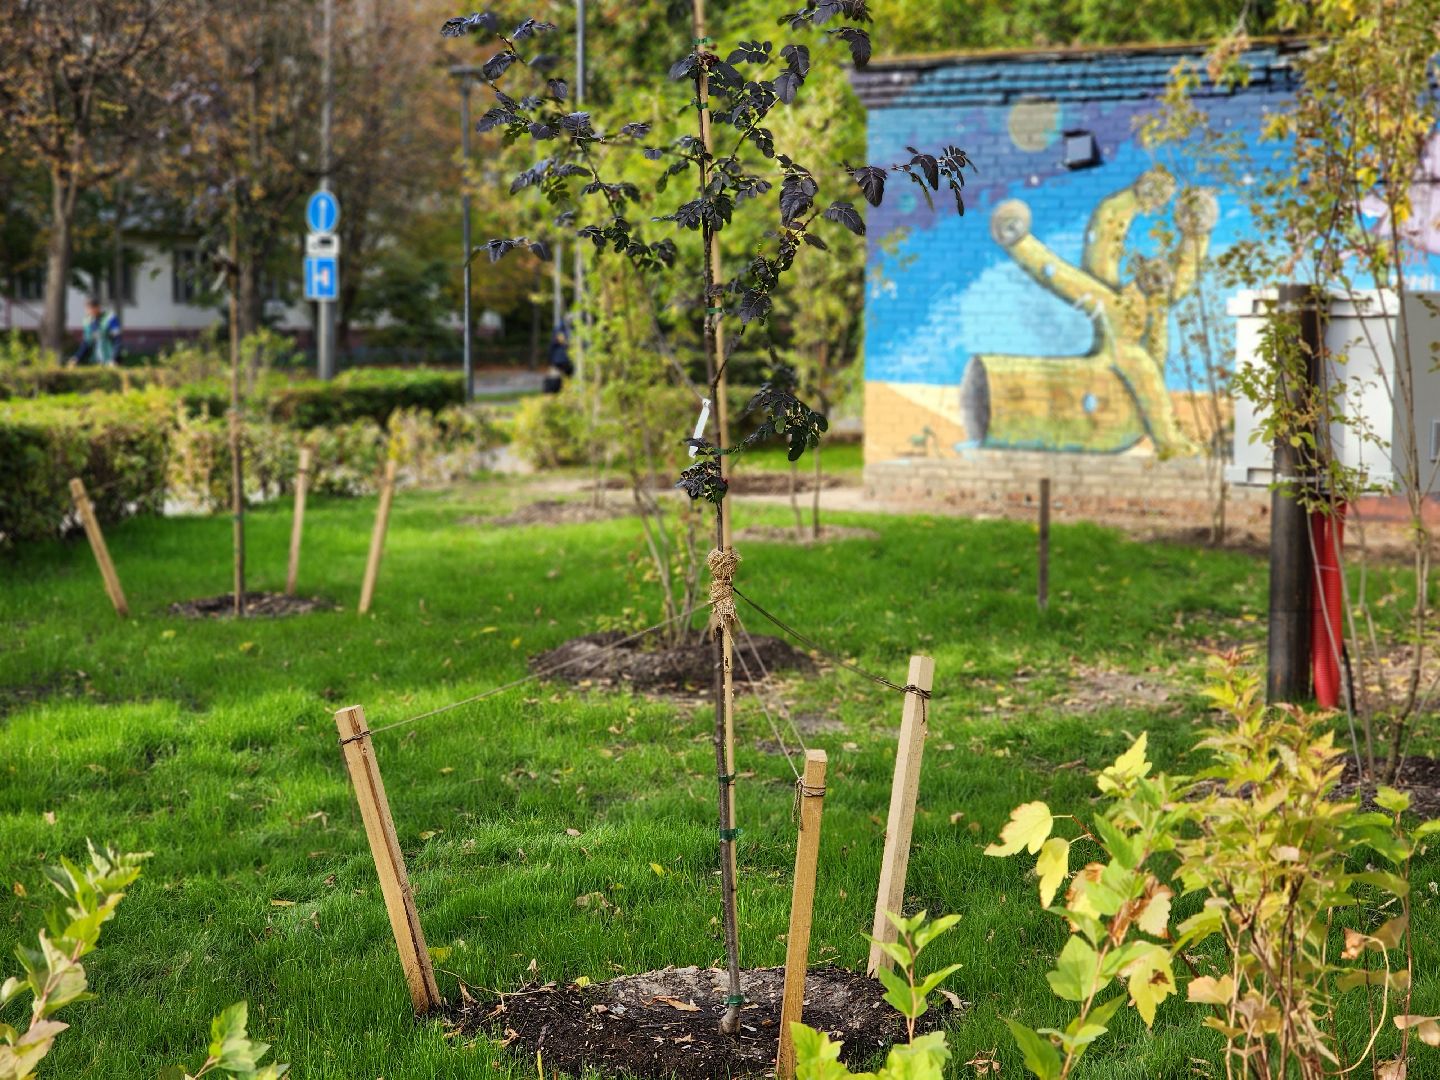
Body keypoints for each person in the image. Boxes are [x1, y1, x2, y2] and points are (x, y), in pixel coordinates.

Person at [71, 297, 122, 367]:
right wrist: (76, 357)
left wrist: (114, 359)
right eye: (87, 308)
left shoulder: (110, 318)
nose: (88, 311)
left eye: (91, 308)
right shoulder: (88, 321)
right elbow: (86, 342)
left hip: (111, 361)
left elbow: (117, 340)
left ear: (98, 307)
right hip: (95, 361)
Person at [543, 328, 572, 394]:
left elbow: (551, 347)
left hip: (558, 361)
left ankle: (553, 393)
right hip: (566, 361)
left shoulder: (558, 330)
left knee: (555, 379)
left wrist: (550, 361)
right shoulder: (566, 331)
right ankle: (563, 392)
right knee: (564, 380)